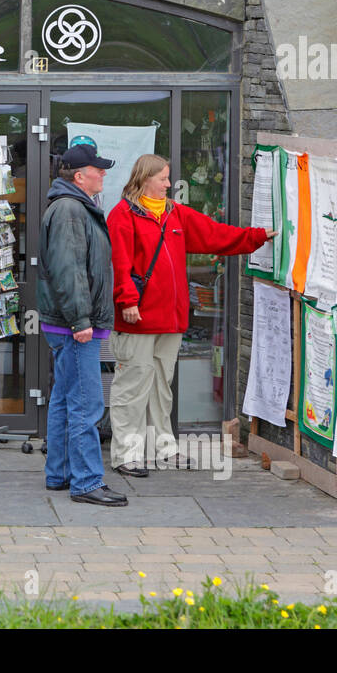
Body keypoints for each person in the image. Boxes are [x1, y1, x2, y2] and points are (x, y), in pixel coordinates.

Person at [106, 154, 275, 475]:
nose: (169, 185)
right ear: (144, 179)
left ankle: (163, 449)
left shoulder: (175, 214)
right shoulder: (122, 215)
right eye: (163, 179)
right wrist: (127, 300)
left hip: (169, 318)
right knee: (132, 386)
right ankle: (127, 455)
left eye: (168, 178)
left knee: (161, 386)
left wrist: (256, 237)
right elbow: (119, 263)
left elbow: (215, 235)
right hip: (136, 318)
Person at [38, 144, 126, 506]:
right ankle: (88, 482)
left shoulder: (73, 207)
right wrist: (80, 321)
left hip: (70, 323)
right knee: (86, 404)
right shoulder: (71, 210)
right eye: (98, 170)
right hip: (75, 325)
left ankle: (58, 474)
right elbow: (68, 270)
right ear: (79, 176)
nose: (103, 174)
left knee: (62, 398)